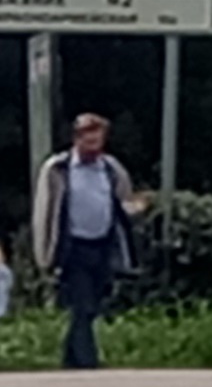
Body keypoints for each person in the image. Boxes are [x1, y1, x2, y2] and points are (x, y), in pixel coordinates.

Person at [32, 113, 140, 369]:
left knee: (95, 301)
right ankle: (87, 361)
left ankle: (70, 358)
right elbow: (45, 211)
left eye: (98, 141)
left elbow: (124, 202)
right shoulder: (58, 169)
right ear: (77, 139)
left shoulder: (111, 169)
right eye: (88, 141)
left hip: (103, 244)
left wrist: (136, 209)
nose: (94, 147)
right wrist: (44, 252)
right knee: (83, 304)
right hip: (73, 247)